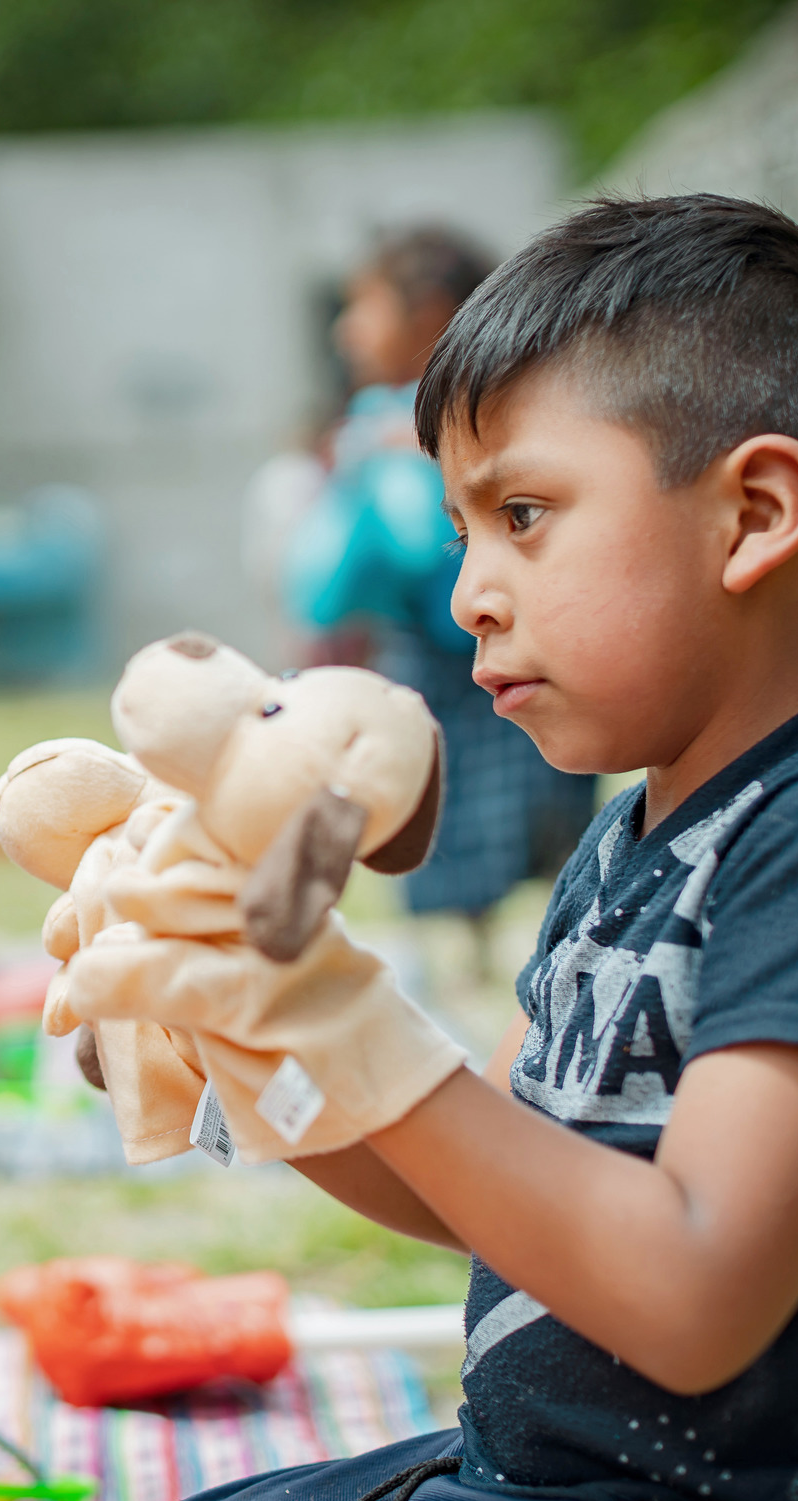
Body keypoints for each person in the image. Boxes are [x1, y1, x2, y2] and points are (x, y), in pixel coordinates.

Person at [12, 196, 798, 1501]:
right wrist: (236, 1045)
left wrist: (337, 1010)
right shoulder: (629, 843)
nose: (474, 593)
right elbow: (478, 1181)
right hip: (532, 1500)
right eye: (460, 531)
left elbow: (693, 1296)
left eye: (524, 515)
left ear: (757, 513)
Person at [284, 227, 595, 961]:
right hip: (456, 665)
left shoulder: (415, 429)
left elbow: (372, 566)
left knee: (489, 850)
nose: (346, 329)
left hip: (470, 670)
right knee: (497, 845)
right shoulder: (388, 423)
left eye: (364, 306)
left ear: (424, 316)